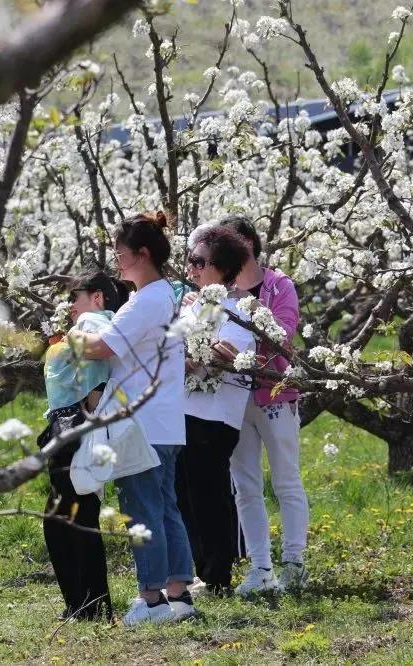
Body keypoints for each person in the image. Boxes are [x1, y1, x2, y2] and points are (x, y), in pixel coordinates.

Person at [71, 211, 194, 627]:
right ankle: (178, 595)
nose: (117, 261)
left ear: (142, 254)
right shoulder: (165, 297)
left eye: (120, 254)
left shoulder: (150, 299)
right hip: (165, 420)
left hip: (141, 422)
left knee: (143, 509)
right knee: (165, 507)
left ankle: (152, 600)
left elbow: (102, 347)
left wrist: (70, 335)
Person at [220, 216, 309, 596]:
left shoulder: (279, 286)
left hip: (275, 394)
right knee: (246, 487)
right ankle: (260, 567)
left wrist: (250, 310)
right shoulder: (216, 292)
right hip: (233, 398)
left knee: (286, 480)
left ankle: (294, 563)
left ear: (251, 244)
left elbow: (284, 336)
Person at [39, 270, 128, 621]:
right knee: (78, 516)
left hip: (71, 427)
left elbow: (98, 374)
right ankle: (90, 604)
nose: (70, 306)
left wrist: (88, 408)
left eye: (74, 297)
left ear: (98, 297)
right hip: (81, 426)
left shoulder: (92, 319)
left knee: (65, 520)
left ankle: (86, 605)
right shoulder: (108, 322)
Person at [175, 226, 255, 595]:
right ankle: (202, 571)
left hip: (215, 418)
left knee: (209, 496)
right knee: (186, 495)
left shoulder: (237, 314)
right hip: (185, 413)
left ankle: (217, 576)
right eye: (190, 260)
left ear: (221, 268)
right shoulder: (196, 308)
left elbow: (228, 358)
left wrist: (202, 356)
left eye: (198, 262)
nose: (190, 269)